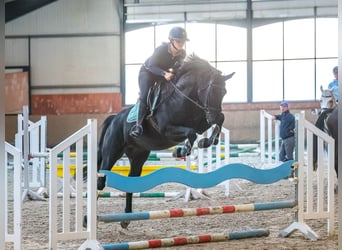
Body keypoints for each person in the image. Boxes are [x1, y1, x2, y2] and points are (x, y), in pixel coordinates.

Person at [130, 27, 189, 137]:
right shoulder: (161, 50)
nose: (181, 43)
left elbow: (177, 68)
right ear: (171, 40)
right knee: (145, 94)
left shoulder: (182, 53)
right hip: (147, 73)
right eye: (178, 41)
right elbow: (151, 66)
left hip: (164, 74)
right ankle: (138, 125)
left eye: (183, 41)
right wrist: (164, 73)